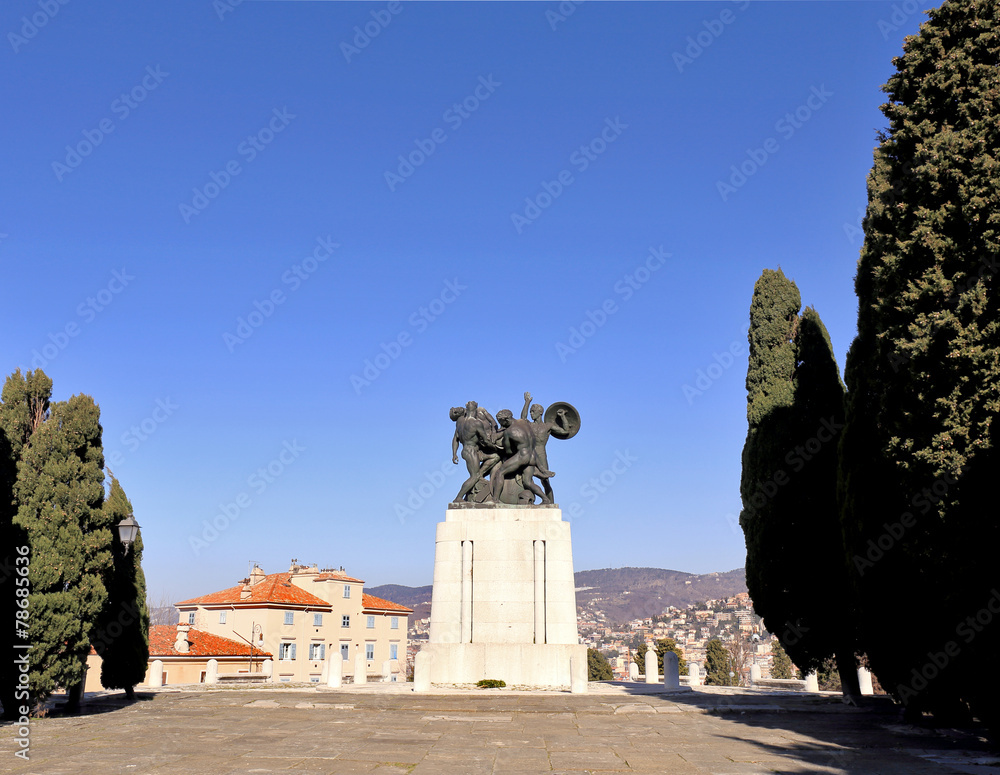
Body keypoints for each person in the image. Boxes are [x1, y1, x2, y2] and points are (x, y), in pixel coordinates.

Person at [490, 409, 548, 504]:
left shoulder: (509, 431)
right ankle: (545, 499)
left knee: (500, 472)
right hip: (533, 455)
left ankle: (495, 500)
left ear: (506, 420)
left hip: (522, 456)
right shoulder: (523, 422)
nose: (501, 425)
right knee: (528, 482)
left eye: (501, 422)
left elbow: (508, 451)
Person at [451, 401, 500, 502]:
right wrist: (496, 447)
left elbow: (455, 438)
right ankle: (458, 497)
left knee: (495, 457)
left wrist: (454, 454)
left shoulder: (460, 421)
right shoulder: (476, 423)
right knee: (474, 476)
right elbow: (485, 440)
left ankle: (480, 474)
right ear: (475, 410)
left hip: (468, 450)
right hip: (471, 451)